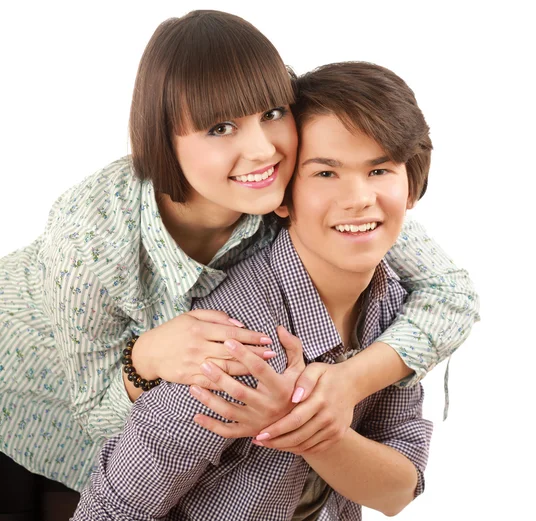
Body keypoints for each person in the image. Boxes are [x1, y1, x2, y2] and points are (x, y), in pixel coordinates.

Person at [0, 9, 478, 520]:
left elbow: (449, 294)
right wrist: (144, 360)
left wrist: (345, 384)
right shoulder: (90, 235)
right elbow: (102, 423)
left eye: (272, 112)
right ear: (161, 138)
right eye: (220, 127)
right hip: (29, 389)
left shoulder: (321, 198)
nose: (261, 149)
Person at [72, 60, 440, 520]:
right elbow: (110, 509)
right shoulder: (238, 342)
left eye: (380, 170)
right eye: (325, 174)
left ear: (411, 185)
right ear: (283, 196)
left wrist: (300, 423)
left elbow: (399, 491)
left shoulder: (395, 310)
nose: (359, 198)